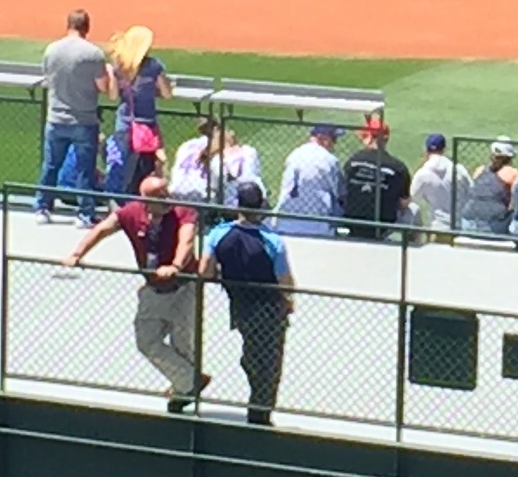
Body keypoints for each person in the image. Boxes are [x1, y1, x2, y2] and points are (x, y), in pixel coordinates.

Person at [60, 173, 210, 413]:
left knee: (183, 343)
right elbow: (102, 229)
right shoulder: (131, 213)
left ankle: (183, 391)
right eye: (160, 197)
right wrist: (77, 254)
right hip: (153, 288)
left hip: (184, 286)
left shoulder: (183, 212)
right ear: (146, 201)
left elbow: (187, 241)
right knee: (147, 341)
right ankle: (191, 381)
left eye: (167, 193)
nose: (167, 200)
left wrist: (175, 265)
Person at [198, 180, 296, 427]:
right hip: (269, 307)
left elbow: (205, 271)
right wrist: (289, 300)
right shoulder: (272, 240)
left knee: (254, 353)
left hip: (240, 305)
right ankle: (260, 412)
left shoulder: (218, 234)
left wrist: (223, 274)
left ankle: (258, 403)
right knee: (269, 361)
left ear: (237, 205)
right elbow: (285, 281)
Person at [38, 10, 108, 225]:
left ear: (68, 25)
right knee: (84, 170)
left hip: (55, 118)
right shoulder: (94, 53)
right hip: (84, 120)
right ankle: (85, 214)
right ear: (87, 27)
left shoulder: (51, 49)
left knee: (51, 166)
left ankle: (42, 208)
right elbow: (103, 86)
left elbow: (47, 77)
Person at [103, 25, 172, 195]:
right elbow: (167, 93)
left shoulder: (119, 65)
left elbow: (113, 95)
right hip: (146, 126)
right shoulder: (153, 66)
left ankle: (121, 202)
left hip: (124, 124)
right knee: (145, 169)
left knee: (124, 168)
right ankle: (141, 201)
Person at [339, 114, 413, 238]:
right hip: (384, 227)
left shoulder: (352, 162)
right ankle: (410, 246)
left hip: (352, 224)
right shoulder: (398, 168)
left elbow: (343, 191)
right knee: (413, 209)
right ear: (386, 139)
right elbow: (404, 202)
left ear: (368, 137)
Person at [275, 123, 342, 237]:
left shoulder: (294, 154)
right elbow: (339, 194)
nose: (335, 144)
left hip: (285, 222)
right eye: (333, 139)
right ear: (322, 138)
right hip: (316, 226)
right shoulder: (329, 160)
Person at [458, 138, 516, 236]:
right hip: (492, 225)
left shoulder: (480, 170)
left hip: (468, 222)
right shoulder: (512, 173)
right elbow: (514, 203)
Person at [408, 133, 461, 233]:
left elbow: (412, 199)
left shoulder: (422, 173)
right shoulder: (459, 169)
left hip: (437, 227)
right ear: (444, 149)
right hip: (461, 227)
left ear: (426, 151)